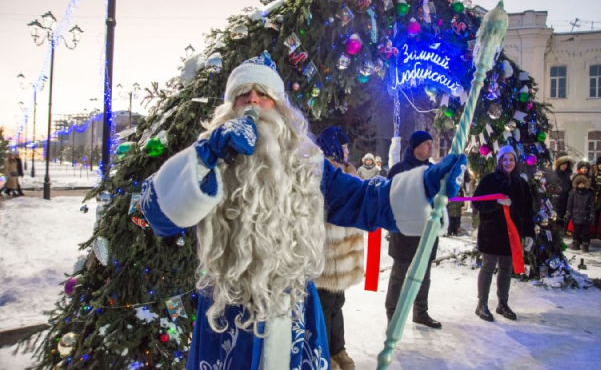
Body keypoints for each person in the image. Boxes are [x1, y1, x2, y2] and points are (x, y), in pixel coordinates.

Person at [140, 53, 467, 369]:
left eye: (264, 94)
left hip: (293, 313)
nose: (253, 101)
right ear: (230, 107)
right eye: (243, 95)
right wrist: (207, 154)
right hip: (226, 316)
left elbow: (364, 201)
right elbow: (159, 215)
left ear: (280, 108)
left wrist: (425, 187)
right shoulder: (209, 159)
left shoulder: (308, 167)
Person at [314, 126, 362, 370]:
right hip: (325, 250)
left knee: (337, 303)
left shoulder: (348, 172)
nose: (347, 151)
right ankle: (322, 352)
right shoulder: (320, 171)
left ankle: (337, 349)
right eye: (343, 147)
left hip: (344, 252)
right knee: (323, 304)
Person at [385, 130, 443, 329]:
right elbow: (388, 198)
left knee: (423, 276)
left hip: (427, 232)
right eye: (427, 143)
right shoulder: (399, 170)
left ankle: (420, 313)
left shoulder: (433, 170)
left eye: (431, 143)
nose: (431, 147)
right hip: (404, 232)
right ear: (415, 146)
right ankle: (392, 314)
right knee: (399, 276)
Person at [472, 145, 535, 322]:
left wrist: (529, 234)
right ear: (499, 161)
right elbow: (477, 202)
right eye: (505, 159)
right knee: (488, 267)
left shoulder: (521, 184)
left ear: (516, 161)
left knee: (506, 269)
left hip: (512, 234)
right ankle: (482, 304)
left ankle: (503, 303)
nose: (508, 163)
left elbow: (527, 211)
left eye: (511, 159)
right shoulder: (490, 180)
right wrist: (496, 202)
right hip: (491, 233)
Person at [566, 174, 596, 252]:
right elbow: (569, 205)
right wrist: (569, 213)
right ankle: (576, 243)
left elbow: (592, 205)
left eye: (583, 184)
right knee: (576, 231)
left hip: (586, 215)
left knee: (586, 232)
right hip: (576, 215)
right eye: (579, 184)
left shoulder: (589, 194)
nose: (581, 185)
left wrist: (592, 215)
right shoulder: (573, 194)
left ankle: (585, 244)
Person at [547, 153, 574, 230]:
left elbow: (569, 186)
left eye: (566, 164)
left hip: (565, 199)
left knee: (563, 218)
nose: (565, 166)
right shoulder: (554, 174)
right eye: (563, 164)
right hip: (556, 199)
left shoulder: (567, 174)